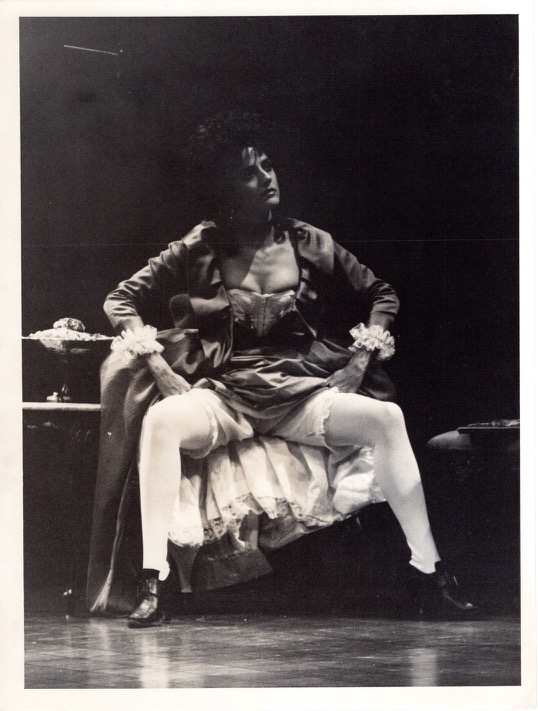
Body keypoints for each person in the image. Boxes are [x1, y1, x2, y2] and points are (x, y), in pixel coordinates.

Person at [86, 111, 476, 627]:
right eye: (249, 174)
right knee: (161, 422)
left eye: (268, 167)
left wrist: (360, 360)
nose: (267, 179)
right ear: (225, 189)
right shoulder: (199, 246)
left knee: (387, 419)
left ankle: (429, 573)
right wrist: (157, 364)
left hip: (299, 396)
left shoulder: (309, 241)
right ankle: (152, 584)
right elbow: (120, 299)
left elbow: (382, 293)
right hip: (226, 395)